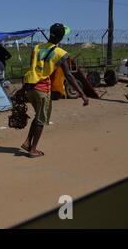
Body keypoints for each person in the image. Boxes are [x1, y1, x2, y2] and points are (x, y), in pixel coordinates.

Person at [15, 23, 89, 158]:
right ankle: (33, 150)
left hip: (30, 87)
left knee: (38, 115)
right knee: (41, 119)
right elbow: (69, 75)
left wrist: (22, 89)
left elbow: (33, 70)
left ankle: (27, 143)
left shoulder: (36, 48)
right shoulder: (61, 53)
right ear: (60, 37)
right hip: (43, 88)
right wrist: (82, 94)